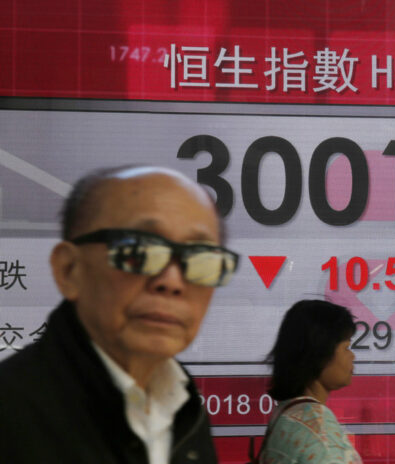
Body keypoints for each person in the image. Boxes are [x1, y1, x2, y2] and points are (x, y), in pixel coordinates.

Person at [0, 165, 239, 464]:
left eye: (201, 257)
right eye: (138, 251)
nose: (172, 281)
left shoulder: (187, 411)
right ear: (68, 270)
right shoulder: (11, 412)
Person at [258, 300, 362, 464]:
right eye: (346, 347)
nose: (352, 356)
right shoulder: (318, 428)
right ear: (320, 353)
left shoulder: (287, 413)